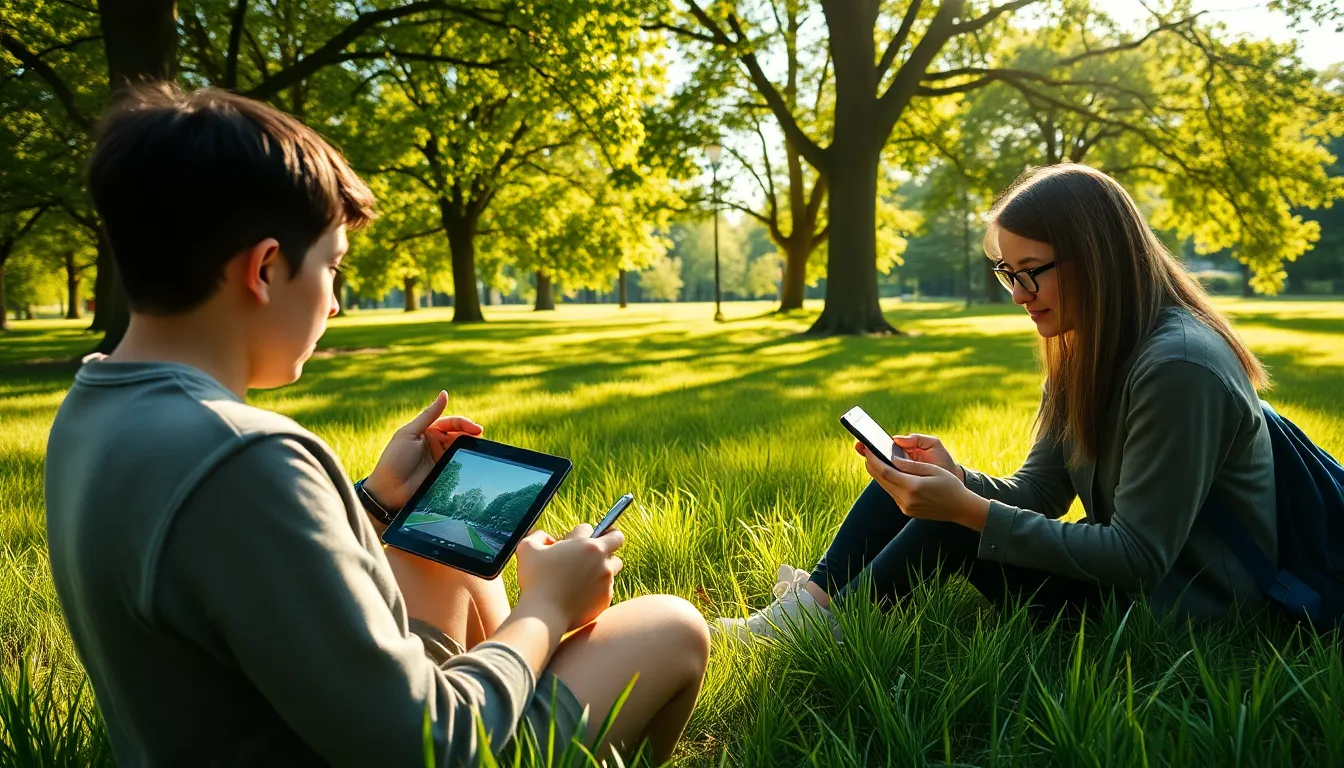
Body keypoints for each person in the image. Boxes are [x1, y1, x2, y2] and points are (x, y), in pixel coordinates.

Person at [44, 84, 709, 766]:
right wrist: (547, 606)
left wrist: (373, 503)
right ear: (265, 268)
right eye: (333, 267)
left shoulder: (93, 409)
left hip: (277, 728)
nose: (333, 303)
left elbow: (244, 584)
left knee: (440, 549)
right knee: (672, 625)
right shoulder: (245, 456)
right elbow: (434, 746)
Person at [715, 163, 1277, 644]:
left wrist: (965, 508)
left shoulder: (1179, 366)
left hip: (1185, 609)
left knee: (955, 519)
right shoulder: (1088, 345)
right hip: (1136, 586)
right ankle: (802, 612)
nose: (1016, 294)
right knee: (908, 478)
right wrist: (955, 477)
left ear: (1096, 258)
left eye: (1030, 272)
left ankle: (825, 629)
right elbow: (1041, 491)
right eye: (1008, 273)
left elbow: (1137, 556)